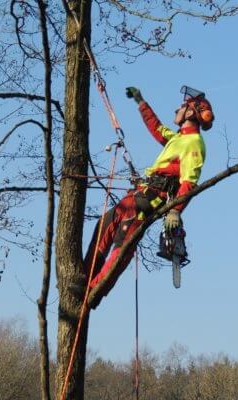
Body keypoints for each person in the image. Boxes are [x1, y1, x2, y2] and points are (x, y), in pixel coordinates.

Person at [84, 85, 214, 308]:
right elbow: (157, 128)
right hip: (138, 194)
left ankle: (94, 291)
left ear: (191, 112)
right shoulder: (177, 138)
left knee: (121, 247)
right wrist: (141, 102)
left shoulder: (194, 143)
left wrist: (175, 210)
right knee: (103, 226)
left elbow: (189, 182)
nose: (177, 109)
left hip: (151, 198)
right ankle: (84, 279)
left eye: (182, 106)